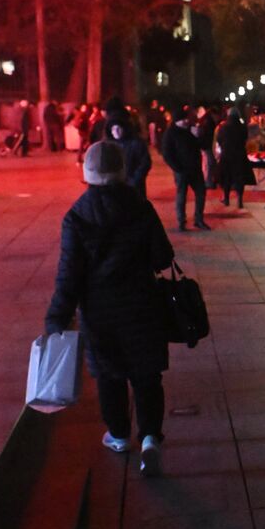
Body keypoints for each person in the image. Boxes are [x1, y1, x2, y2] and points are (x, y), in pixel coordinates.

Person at [45, 141, 175, 476]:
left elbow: (68, 274)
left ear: (87, 173)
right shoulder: (141, 208)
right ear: (122, 169)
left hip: (100, 313)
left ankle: (118, 435)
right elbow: (163, 257)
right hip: (142, 306)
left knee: (109, 376)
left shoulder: (76, 217)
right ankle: (149, 439)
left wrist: (57, 317)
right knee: (147, 376)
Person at [161, 106, 210, 232]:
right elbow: (167, 153)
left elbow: (204, 145)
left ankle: (199, 219)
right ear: (177, 121)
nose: (186, 121)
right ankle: (181, 221)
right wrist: (177, 168)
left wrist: (199, 135)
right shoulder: (171, 133)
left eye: (186, 119)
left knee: (201, 193)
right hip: (181, 170)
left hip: (195, 168)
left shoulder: (191, 129)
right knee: (182, 195)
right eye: (183, 120)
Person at [93, 97, 152, 198]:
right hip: (115, 189)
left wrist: (134, 180)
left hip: (135, 188)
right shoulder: (107, 145)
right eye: (113, 129)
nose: (116, 132)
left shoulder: (136, 143)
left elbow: (145, 163)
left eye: (118, 128)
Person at [215, 107, 256, 208]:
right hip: (240, 155)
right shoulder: (242, 126)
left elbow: (219, 139)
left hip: (226, 155)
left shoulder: (223, 127)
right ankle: (240, 200)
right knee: (240, 178)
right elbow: (245, 138)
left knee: (226, 178)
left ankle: (226, 199)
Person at [196, 107, 218, 189]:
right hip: (207, 145)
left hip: (205, 145)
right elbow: (209, 135)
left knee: (208, 163)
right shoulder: (209, 121)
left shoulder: (205, 120)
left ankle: (209, 181)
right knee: (209, 164)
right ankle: (208, 182)